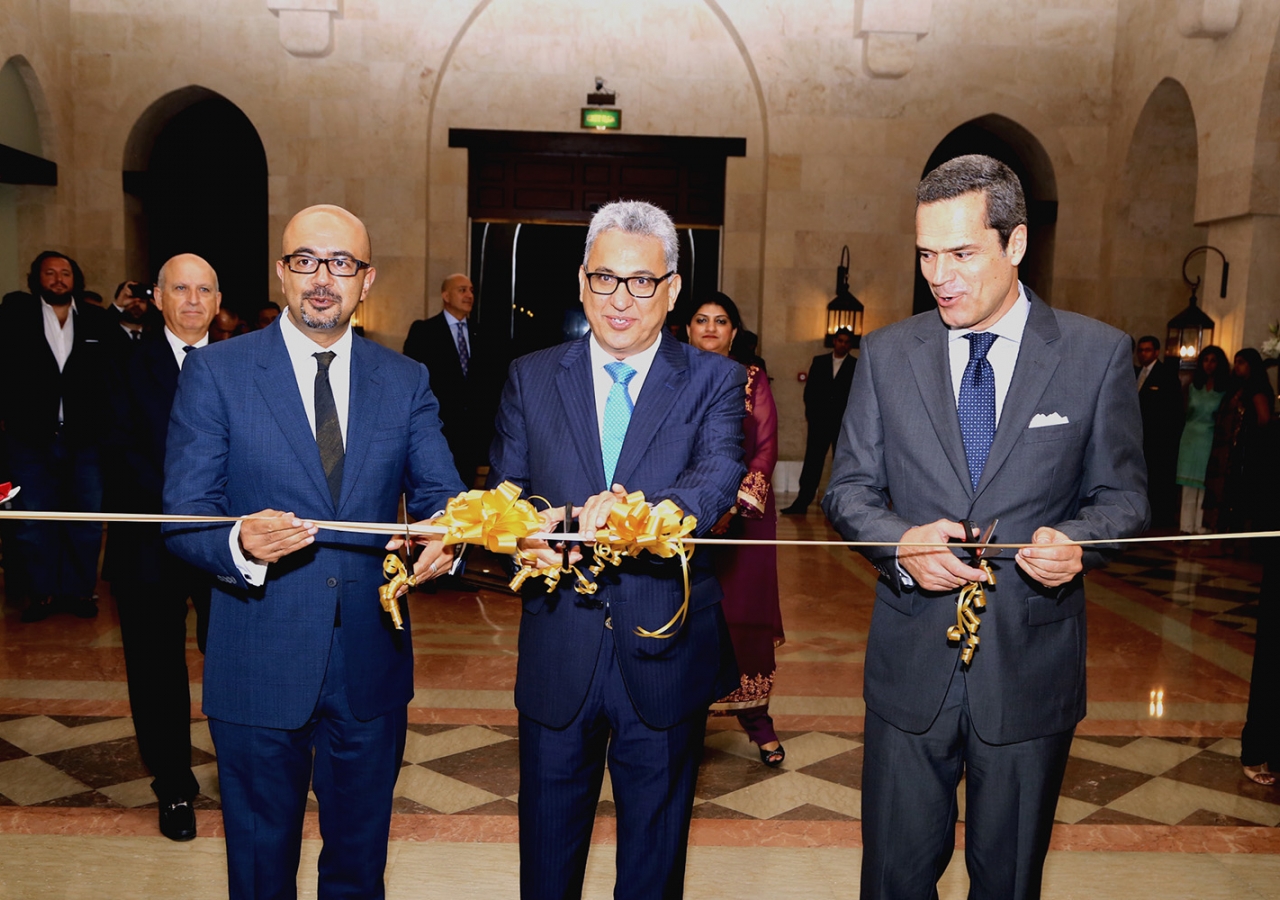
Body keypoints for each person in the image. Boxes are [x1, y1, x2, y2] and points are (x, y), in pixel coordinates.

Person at [821, 155, 1148, 900]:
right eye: (927, 255)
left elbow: (1123, 497)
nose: (941, 276)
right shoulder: (886, 354)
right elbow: (850, 490)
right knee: (893, 880)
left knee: (1008, 882)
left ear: (1017, 243)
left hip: (1030, 667)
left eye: (963, 253)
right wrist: (900, 544)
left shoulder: (1095, 356)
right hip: (910, 668)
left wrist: (1079, 542)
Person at [162, 205, 465, 899]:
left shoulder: (406, 380)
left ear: (366, 280)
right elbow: (182, 515)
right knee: (261, 867)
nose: (321, 279)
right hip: (257, 655)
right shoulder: (217, 374)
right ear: (281, 271)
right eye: (305, 261)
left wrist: (443, 533)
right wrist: (238, 541)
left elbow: (443, 494)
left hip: (370, 661)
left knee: (359, 866)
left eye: (341, 264)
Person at [488, 200, 745, 900]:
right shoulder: (531, 376)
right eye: (605, 280)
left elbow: (717, 473)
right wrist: (525, 537)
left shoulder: (716, 379)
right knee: (546, 857)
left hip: (662, 647)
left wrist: (646, 515)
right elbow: (510, 493)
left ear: (671, 289)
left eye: (640, 282)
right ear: (581, 283)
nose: (621, 299)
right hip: (557, 651)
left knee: (653, 868)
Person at [105, 254, 221, 841]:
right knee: (156, 670)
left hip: (228, 544)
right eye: (181, 288)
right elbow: (117, 451)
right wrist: (187, 505)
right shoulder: (120, 364)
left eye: (204, 290)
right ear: (157, 296)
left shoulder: (242, 366)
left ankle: (246, 766)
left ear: (218, 301)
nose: (194, 300)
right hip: (147, 543)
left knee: (231, 658)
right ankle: (173, 785)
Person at [689, 293, 786, 766]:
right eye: (701, 320)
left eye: (720, 321)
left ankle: (758, 723)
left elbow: (764, 447)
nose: (710, 328)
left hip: (743, 522)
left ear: (734, 331)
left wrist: (731, 505)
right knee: (683, 619)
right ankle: (679, 717)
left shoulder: (752, 379)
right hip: (680, 521)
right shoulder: (667, 379)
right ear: (685, 329)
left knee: (742, 617)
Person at [0, 250, 112, 621]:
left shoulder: (97, 320)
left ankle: (80, 593)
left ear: (75, 279)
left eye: (65, 273)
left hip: (85, 440)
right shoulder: (15, 317)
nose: (58, 279)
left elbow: (112, 378)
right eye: (50, 273)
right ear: (37, 278)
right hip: (29, 438)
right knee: (33, 521)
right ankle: (41, 593)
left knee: (86, 521)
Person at [403, 273, 504, 487]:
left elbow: (493, 381)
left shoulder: (485, 334)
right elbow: (411, 381)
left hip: (474, 433)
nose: (469, 295)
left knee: (466, 494)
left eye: (471, 290)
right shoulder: (424, 332)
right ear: (446, 295)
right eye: (462, 290)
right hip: (437, 428)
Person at [781, 328, 855, 514]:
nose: (842, 344)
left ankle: (841, 506)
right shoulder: (819, 362)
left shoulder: (856, 365)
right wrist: (812, 416)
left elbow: (857, 397)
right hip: (819, 422)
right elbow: (810, 392)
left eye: (846, 342)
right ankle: (802, 501)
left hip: (842, 425)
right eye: (840, 340)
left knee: (843, 464)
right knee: (812, 462)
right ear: (834, 341)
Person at [1204, 347, 1274, 539]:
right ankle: (1222, 540)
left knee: (1234, 495)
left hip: (1243, 451)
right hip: (1227, 450)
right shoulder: (1236, 386)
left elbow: (1263, 418)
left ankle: (1227, 541)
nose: (1237, 367)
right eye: (1235, 362)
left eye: (1241, 362)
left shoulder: (1256, 388)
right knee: (1224, 493)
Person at [1175, 345, 1228, 535]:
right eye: (1206, 360)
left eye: (1213, 361)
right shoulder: (1191, 386)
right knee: (1188, 486)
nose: (1209, 365)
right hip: (1190, 438)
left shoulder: (1224, 390)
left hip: (1210, 439)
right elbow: (1181, 413)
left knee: (1204, 485)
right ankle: (1185, 527)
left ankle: (1200, 527)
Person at [1135, 334, 1183, 530]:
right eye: (1140, 350)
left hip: (1158, 439)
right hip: (1139, 438)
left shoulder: (1166, 375)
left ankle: (1158, 521)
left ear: (1156, 352)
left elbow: (1173, 410)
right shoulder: (1135, 372)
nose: (1142, 354)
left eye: (1147, 350)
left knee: (1158, 481)